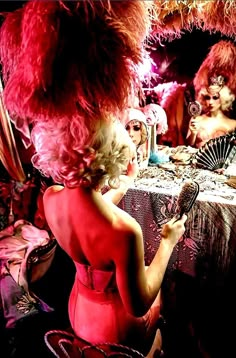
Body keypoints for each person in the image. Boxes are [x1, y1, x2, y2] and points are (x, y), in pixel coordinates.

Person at [0, 1, 187, 356]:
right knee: (165, 315)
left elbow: (89, 215)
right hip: (117, 330)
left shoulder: (52, 197)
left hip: (76, 313)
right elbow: (138, 301)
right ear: (111, 155)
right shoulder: (124, 231)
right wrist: (167, 241)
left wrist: (124, 187)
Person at [186, 78, 236, 148]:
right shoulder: (196, 119)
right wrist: (193, 133)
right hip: (198, 158)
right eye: (207, 98)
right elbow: (188, 145)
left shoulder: (233, 124)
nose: (210, 102)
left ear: (223, 99)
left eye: (215, 98)